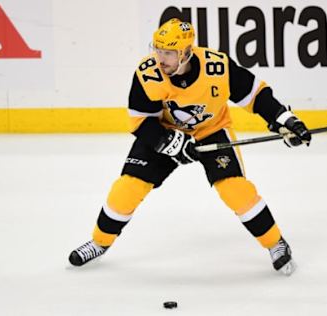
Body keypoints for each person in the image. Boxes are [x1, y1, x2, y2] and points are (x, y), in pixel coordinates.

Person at [68, 18, 311, 276]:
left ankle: (275, 243)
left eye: (168, 53)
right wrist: (167, 143)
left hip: (211, 130)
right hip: (164, 130)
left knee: (235, 189)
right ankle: (99, 242)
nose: (160, 58)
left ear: (185, 53)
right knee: (127, 187)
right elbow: (140, 121)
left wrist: (283, 119)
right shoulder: (148, 73)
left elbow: (255, 95)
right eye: (157, 50)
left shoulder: (217, 66)